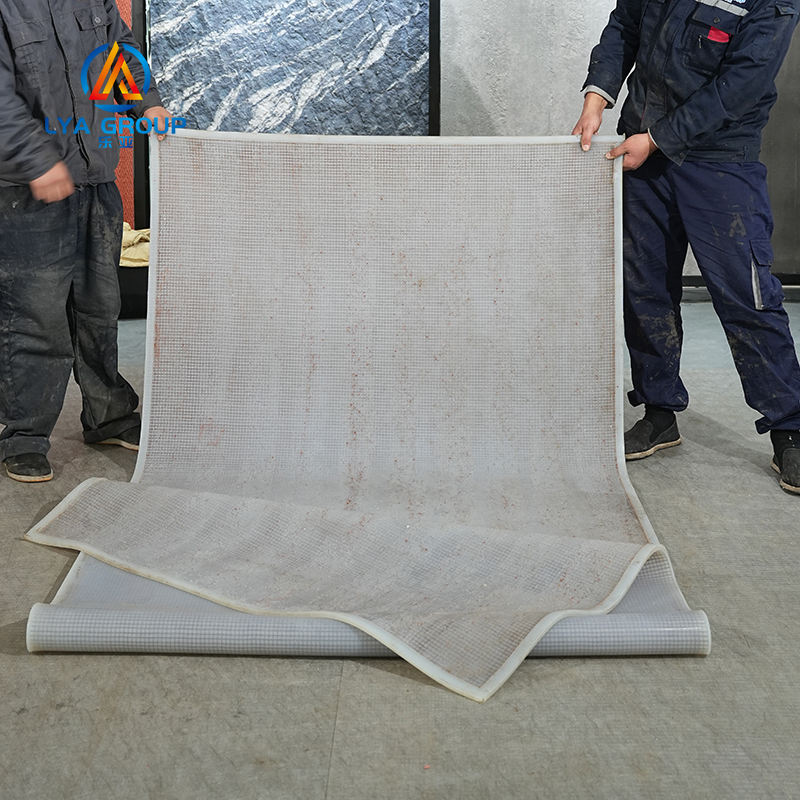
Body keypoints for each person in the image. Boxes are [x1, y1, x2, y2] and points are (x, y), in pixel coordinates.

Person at [572, 0, 800, 494]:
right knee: (645, 290)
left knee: (747, 297)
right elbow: (625, 25)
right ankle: (660, 412)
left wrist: (657, 138)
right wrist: (597, 96)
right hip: (645, 156)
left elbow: (744, 81)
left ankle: (790, 429)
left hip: (720, 159)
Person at [0, 1, 169, 482]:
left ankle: (108, 416)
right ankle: (25, 436)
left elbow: (120, 53)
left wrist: (147, 101)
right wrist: (36, 162)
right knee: (35, 318)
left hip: (94, 180)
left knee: (100, 308)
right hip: (27, 191)